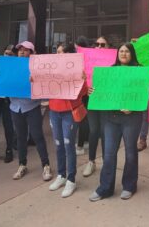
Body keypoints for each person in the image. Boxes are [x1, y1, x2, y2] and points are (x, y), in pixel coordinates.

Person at [89, 42, 142, 202]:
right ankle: (105, 188)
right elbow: (101, 92)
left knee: (131, 152)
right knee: (109, 153)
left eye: (127, 51)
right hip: (111, 118)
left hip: (131, 118)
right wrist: (93, 91)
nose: (124, 53)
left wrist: (133, 107)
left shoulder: (139, 71)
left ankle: (129, 185)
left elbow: (146, 93)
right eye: (121, 51)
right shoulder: (109, 71)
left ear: (132, 54)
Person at [6, 41, 52, 181]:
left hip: (32, 107)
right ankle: (22, 164)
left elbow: (45, 93)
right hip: (15, 107)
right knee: (20, 137)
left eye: (26, 50)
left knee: (37, 136)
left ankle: (46, 165)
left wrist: (36, 82)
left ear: (32, 54)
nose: (22, 52)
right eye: (20, 50)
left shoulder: (38, 70)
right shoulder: (10, 68)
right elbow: (0, 90)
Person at [46, 42, 87, 198]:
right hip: (54, 112)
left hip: (69, 112)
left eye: (61, 52)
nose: (58, 55)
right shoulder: (50, 69)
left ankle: (71, 179)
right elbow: (42, 87)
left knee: (69, 145)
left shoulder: (77, 70)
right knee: (58, 145)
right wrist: (36, 80)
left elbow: (83, 93)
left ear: (70, 54)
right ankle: (61, 175)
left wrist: (83, 80)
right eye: (57, 52)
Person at [82, 36, 109, 178]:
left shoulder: (113, 63)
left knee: (105, 132)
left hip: (107, 103)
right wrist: (86, 88)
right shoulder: (87, 62)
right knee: (94, 131)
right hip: (92, 101)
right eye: (96, 44)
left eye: (102, 44)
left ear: (107, 47)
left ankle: (106, 162)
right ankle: (91, 161)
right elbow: (81, 80)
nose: (99, 46)